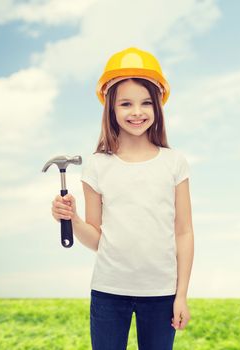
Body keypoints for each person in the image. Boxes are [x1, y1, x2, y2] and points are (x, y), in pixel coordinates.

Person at [51, 47, 194, 350]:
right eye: (126, 104)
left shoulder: (174, 163)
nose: (137, 112)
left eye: (145, 103)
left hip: (161, 293)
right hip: (108, 292)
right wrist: (73, 219)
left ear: (157, 107)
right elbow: (96, 239)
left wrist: (181, 294)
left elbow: (183, 232)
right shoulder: (97, 165)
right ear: (111, 109)